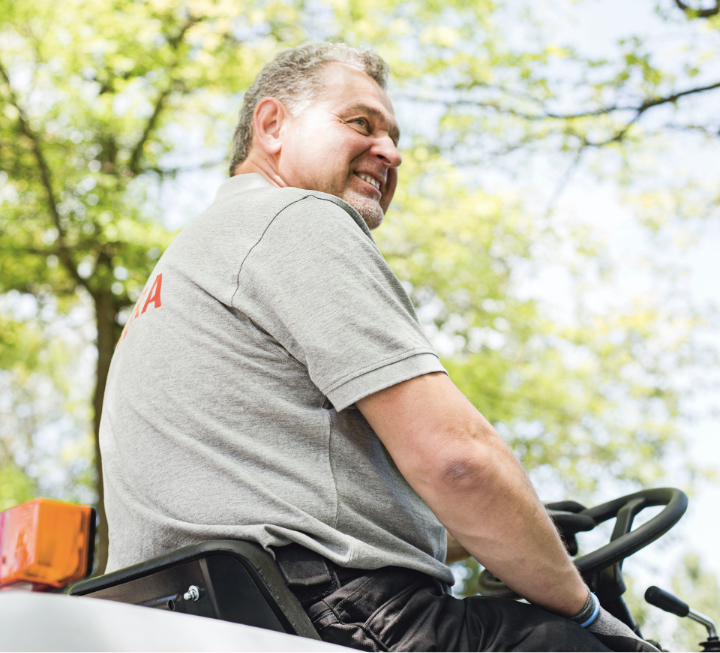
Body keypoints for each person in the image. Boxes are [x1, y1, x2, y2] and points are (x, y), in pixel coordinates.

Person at [100, 42, 656, 652]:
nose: (390, 151)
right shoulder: (295, 218)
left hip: (200, 621)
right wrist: (590, 615)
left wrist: (509, 534)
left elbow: (308, 514)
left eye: (394, 137)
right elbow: (458, 462)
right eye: (360, 123)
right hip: (332, 616)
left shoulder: (190, 260)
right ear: (272, 125)